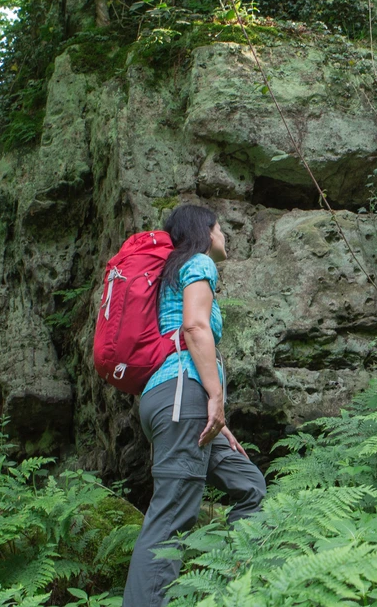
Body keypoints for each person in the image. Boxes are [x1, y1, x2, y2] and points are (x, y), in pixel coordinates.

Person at [123, 205, 266, 607]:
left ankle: (233, 590)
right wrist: (216, 399)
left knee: (249, 485)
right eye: (220, 227)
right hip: (181, 397)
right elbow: (194, 327)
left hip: (170, 398)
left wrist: (217, 418)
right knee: (170, 518)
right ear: (206, 231)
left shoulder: (168, 273)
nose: (224, 235)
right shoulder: (198, 262)